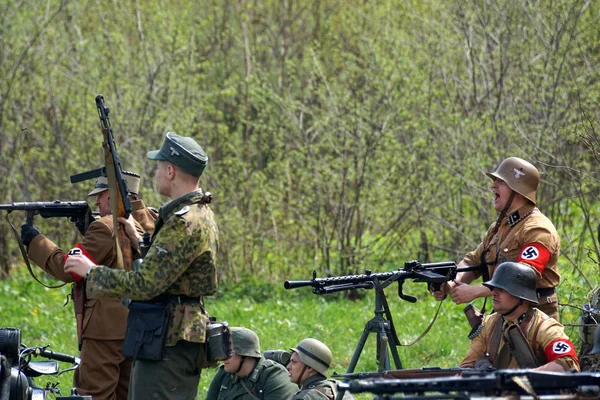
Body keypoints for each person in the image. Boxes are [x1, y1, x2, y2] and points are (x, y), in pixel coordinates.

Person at [65, 132, 218, 400]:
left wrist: (90, 271)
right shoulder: (197, 213)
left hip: (167, 341)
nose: (156, 173)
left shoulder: (182, 223)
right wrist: (142, 241)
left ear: (170, 171)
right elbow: (173, 268)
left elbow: (145, 284)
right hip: (171, 335)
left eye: (159, 167)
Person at [20, 171, 153, 400]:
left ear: (112, 196)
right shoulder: (149, 219)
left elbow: (68, 268)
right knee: (127, 393)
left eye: (100, 196)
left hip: (105, 330)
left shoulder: (105, 226)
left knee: (93, 394)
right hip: (141, 327)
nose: (96, 202)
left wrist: (36, 242)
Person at [433, 157, 561, 320]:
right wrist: (453, 283)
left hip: (535, 320)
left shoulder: (538, 229)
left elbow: (523, 278)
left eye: (501, 181)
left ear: (518, 190)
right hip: (503, 317)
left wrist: (476, 291)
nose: (493, 185)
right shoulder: (500, 227)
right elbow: (474, 261)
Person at [460, 262, 579, 371]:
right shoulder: (487, 324)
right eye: (494, 288)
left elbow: (568, 363)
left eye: (501, 289)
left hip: (531, 392)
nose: (494, 293)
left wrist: (525, 377)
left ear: (522, 297)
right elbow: (468, 365)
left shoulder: (545, 327)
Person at [205, 327, 297, 400]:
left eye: (229, 352)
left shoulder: (274, 378)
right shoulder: (224, 374)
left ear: (246, 354)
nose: (222, 357)